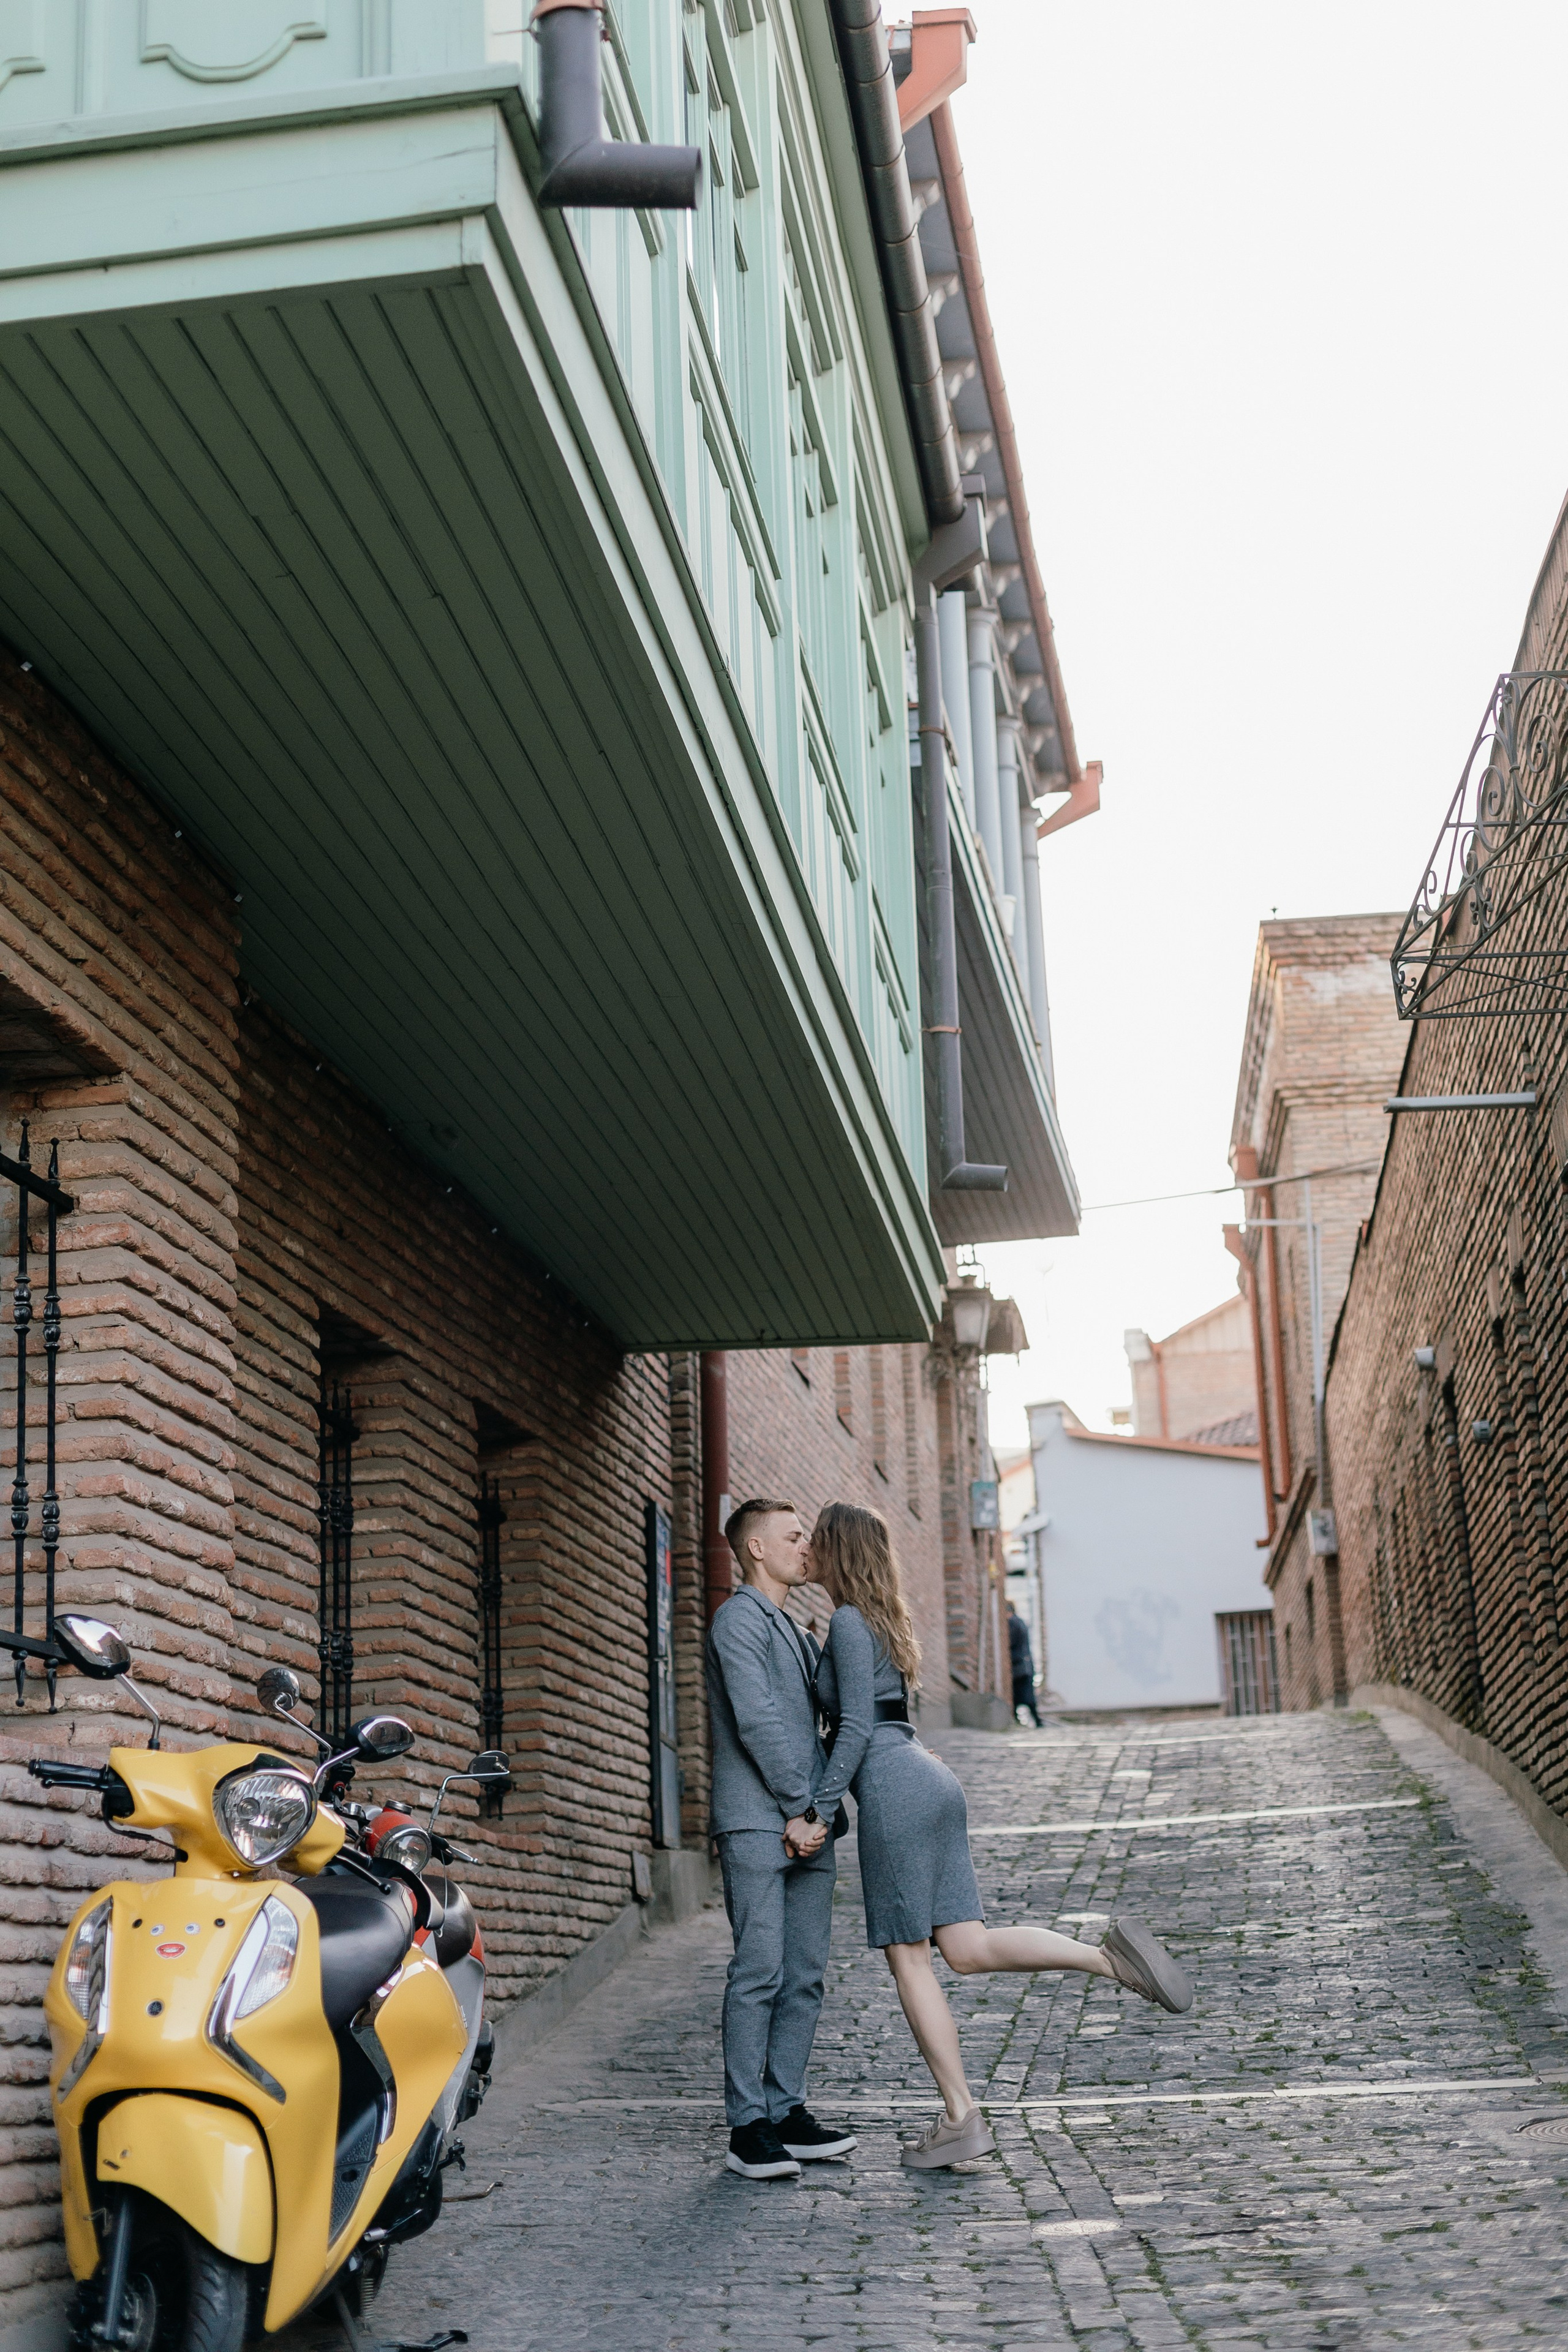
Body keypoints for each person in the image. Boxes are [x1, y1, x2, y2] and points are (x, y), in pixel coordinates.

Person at [809, 1500, 1193, 2171]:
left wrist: (817, 1810)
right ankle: (1110, 1962)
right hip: (931, 1780)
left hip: (895, 1792)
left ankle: (960, 2116)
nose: (807, 1547)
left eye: (815, 1538)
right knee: (968, 1947)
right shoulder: (885, 1619)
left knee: (911, 1962)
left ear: (835, 1548)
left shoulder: (846, 1620)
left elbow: (854, 1730)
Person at [705, 1497, 858, 2181]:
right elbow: (758, 1721)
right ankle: (748, 2129)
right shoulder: (737, 1620)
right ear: (757, 1549)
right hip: (757, 1820)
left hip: (808, 1825)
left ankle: (787, 2110)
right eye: (794, 1537)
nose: (807, 1547)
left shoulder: (796, 1628)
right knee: (759, 1971)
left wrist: (818, 1814)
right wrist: (801, 1807)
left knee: (804, 1976)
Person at [1007, 1600, 1041, 1727]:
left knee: (1023, 1695)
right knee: (1026, 1695)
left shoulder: (1013, 1623)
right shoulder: (1019, 1622)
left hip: (1019, 1665)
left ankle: (1036, 1721)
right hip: (1024, 1664)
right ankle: (1036, 1721)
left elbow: (1010, 1642)